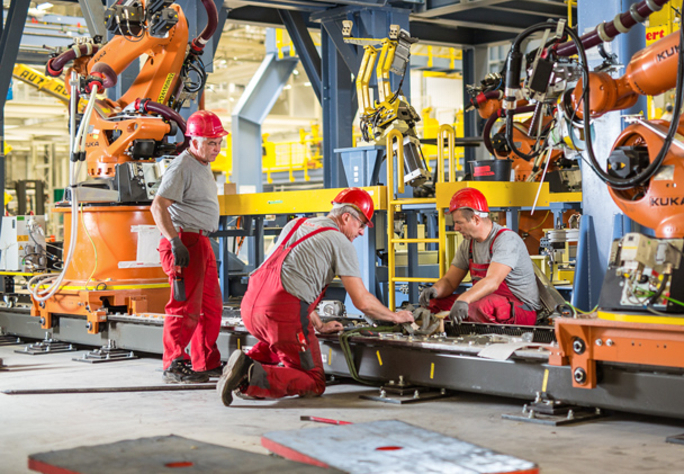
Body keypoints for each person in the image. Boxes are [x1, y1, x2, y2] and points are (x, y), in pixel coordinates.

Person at [217, 187, 415, 406]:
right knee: (313, 380)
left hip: (252, 307)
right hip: (281, 313)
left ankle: (243, 363)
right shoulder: (340, 242)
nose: (361, 233)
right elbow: (362, 301)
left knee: (280, 342)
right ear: (346, 217)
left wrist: (319, 324)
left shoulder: (296, 225)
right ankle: (247, 377)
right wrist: (395, 317)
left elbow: (292, 276)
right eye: (360, 225)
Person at [151, 110, 228, 384]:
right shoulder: (182, 166)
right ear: (193, 141)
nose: (216, 148)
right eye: (210, 142)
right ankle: (174, 363)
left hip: (200, 241)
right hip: (184, 241)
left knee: (210, 307)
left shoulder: (202, 166)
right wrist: (174, 241)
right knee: (184, 307)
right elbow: (158, 206)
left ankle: (204, 362)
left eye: (218, 142)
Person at [420, 188, 541, 325]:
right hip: (485, 300)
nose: (455, 228)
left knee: (480, 307)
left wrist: (465, 299)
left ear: (476, 219)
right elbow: (450, 281)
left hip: (520, 308)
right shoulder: (468, 244)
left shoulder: (506, 240)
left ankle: (484, 339)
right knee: (434, 304)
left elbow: (492, 281)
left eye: (459, 222)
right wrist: (435, 290)